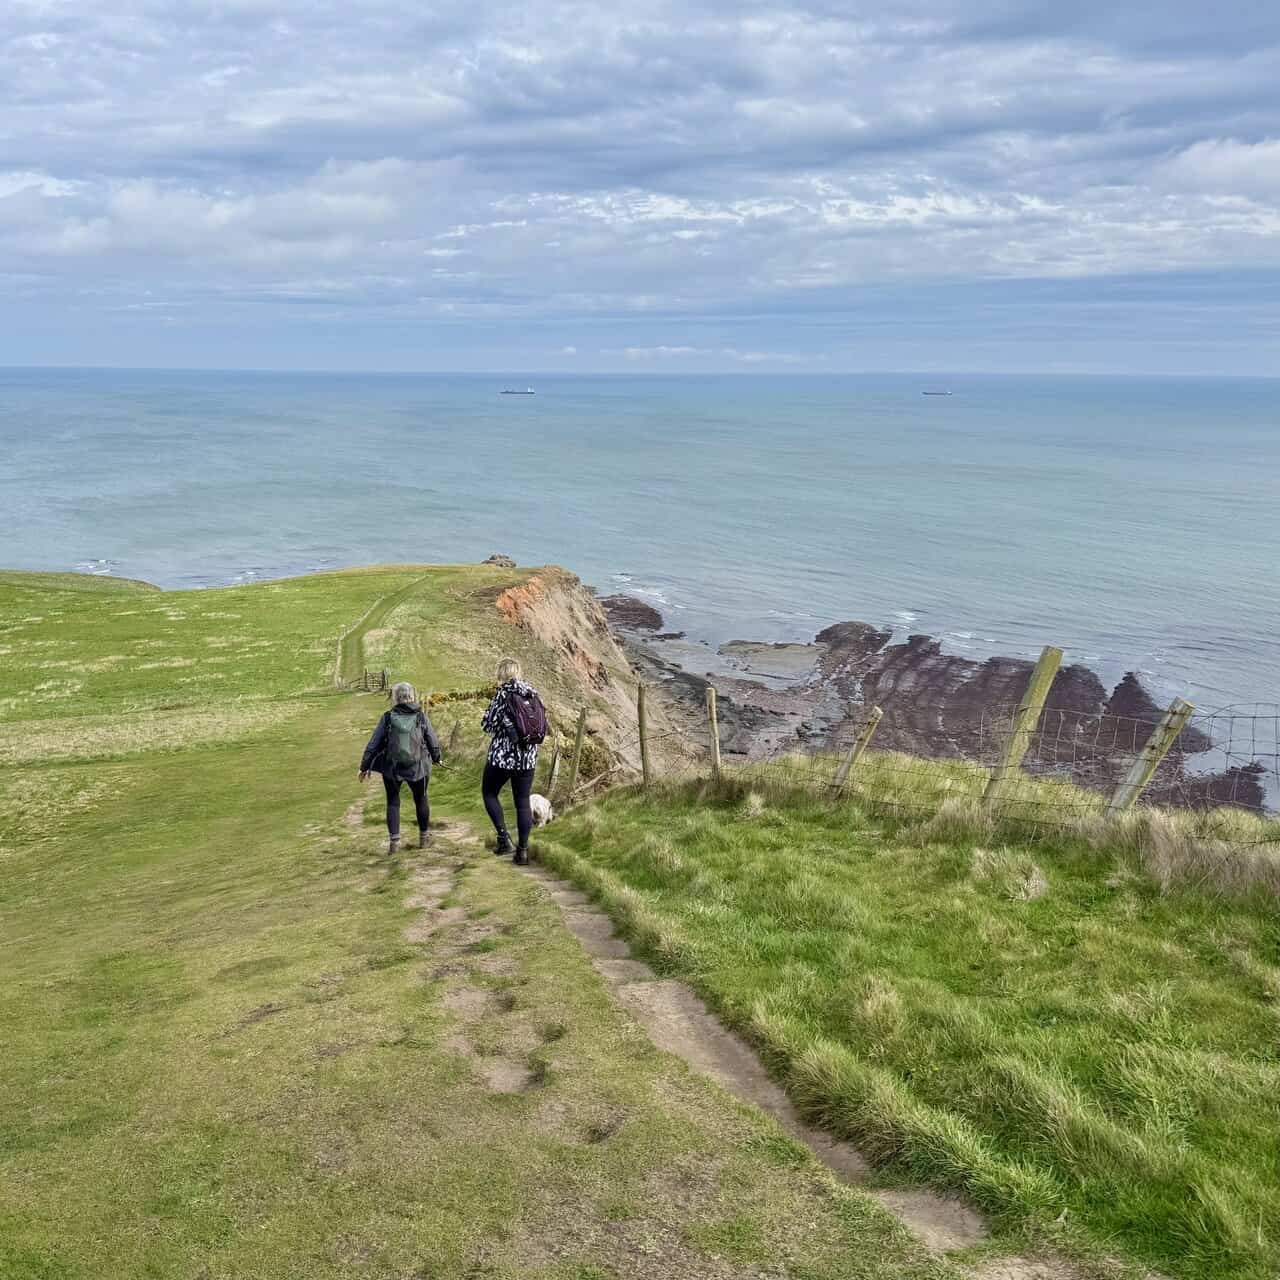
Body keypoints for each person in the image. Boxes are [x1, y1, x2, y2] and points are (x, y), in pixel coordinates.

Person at [359, 681, 442, 856]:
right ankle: (424, 838)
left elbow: (373, 744)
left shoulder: (387, 717)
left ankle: (394, 844)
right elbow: (432, 741)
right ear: (412, 696)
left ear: (395, 698)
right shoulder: (421, 716)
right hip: (418, 768)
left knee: (393, 802)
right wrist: (436, 758)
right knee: (421, 799)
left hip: (392, 769)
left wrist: (364, 767)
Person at [481, 658, 543, 865]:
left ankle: (503, 839)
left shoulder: (503, 694)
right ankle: (522, 852)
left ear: (502, 674)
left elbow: (487, 725)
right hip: (528, 758)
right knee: (523, 803)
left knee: (489, 793)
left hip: (503, 757)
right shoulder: (531, 693)